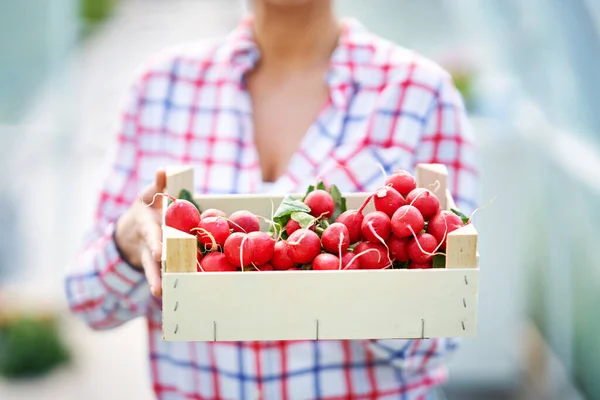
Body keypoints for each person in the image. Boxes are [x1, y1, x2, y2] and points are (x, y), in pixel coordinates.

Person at [65, 0, 479, 399]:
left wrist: (353, 285)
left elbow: (440, 336)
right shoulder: (159, 88)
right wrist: (127, 245)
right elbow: (89, 304)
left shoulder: (421, 93)